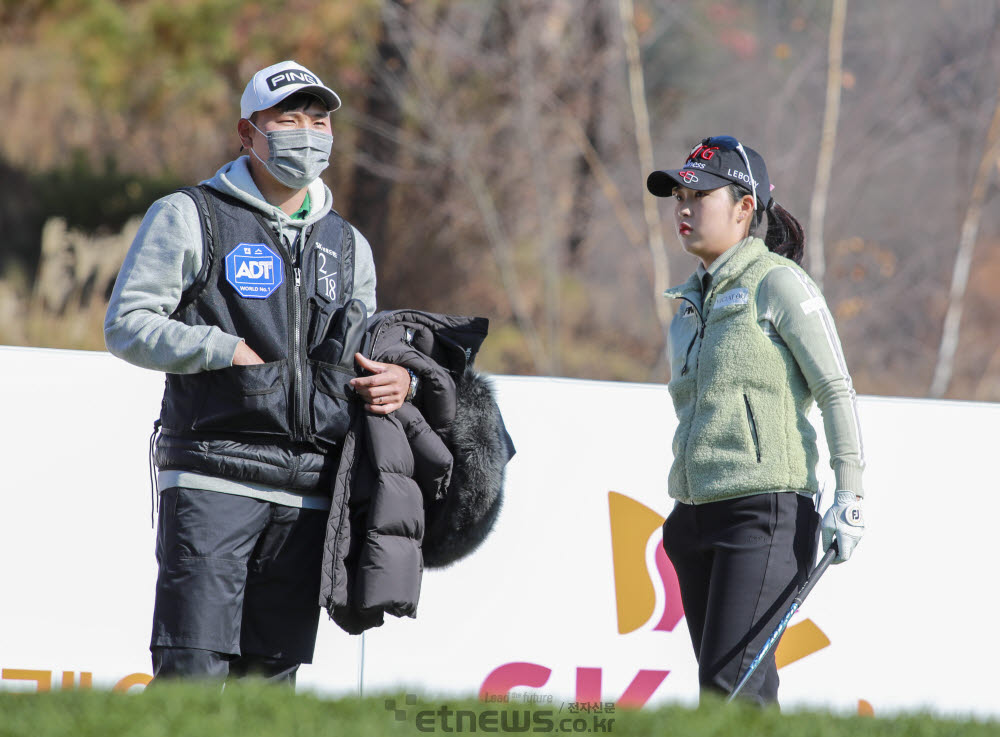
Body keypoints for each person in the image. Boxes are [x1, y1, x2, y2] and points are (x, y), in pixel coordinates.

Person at [105, 60, 414, 684]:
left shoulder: (350, 245)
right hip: (213, 473)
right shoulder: (190, 214)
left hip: (309, 490)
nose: (308, 133)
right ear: (248, 134)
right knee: (192, 673)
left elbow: (364, 346)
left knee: (269, 688)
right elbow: (128, 324)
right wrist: (222, 348)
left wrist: (396, 379)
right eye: (288, 120)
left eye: (320, 120)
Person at [646, 135, 866, 705]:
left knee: (727, 692)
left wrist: (851, 493)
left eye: (700, 194)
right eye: (678, 196)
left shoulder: (778, 283)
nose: (684, 207)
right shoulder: (687, 308)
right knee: (747, 696)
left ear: (745, 208)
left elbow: (835, 389)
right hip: (693, 520)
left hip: (763, 517)